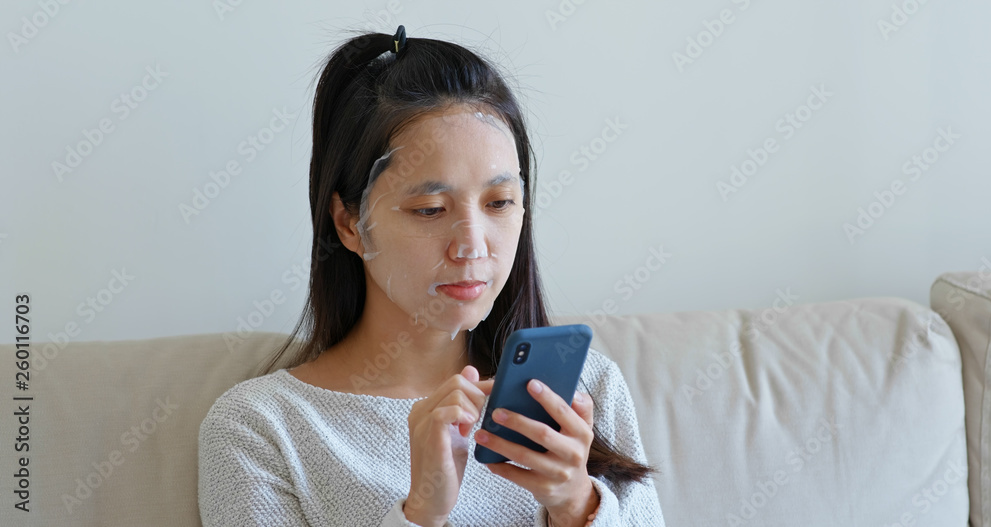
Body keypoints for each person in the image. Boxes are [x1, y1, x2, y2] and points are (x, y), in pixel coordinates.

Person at [198, 25, 667, 527]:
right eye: (429, 209)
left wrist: (576, 506)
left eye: (500, 202)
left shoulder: (584, 389)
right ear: (349, 223)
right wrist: (421, 514)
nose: (472, 245)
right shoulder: (262, 428)